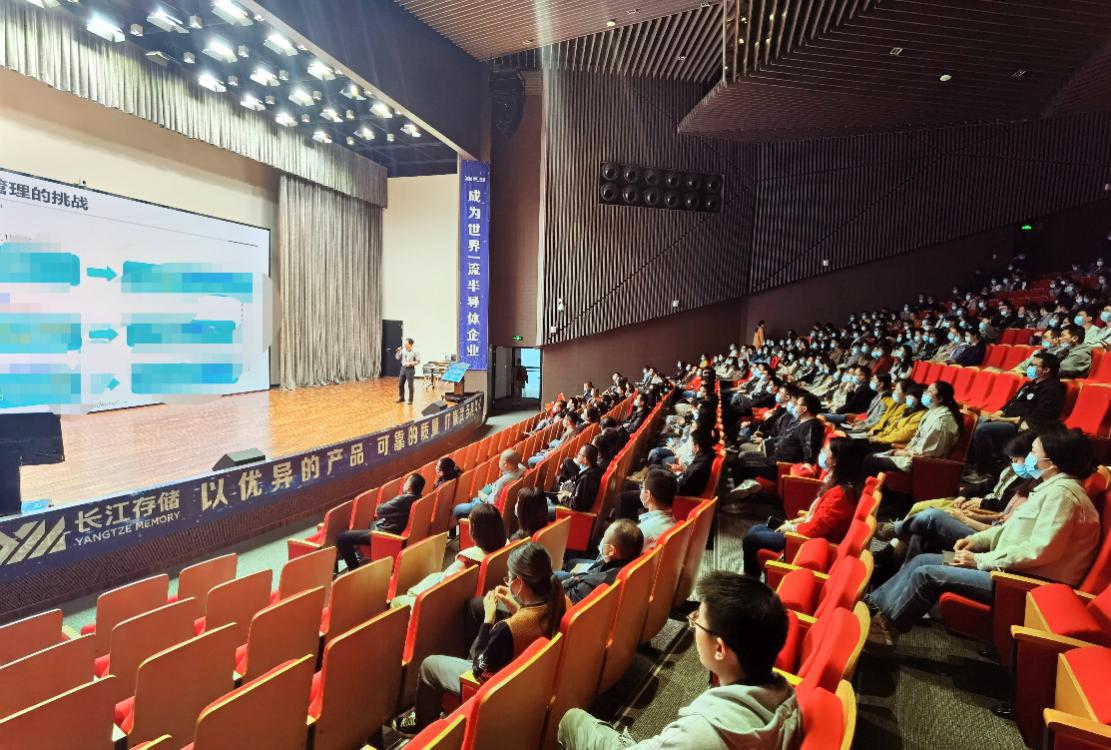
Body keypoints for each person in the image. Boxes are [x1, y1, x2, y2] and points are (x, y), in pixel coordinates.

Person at [867, 430, 1101, 652]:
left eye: (1033, 451)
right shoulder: (1051, 489)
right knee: (924, 560)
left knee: (927, 573)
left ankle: (885, 631)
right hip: (1005, 567)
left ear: (1052, 463)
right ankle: (876, 606)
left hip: (1020, 582)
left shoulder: (1063, 497)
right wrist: (975, 540)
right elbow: (1008, 530)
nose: (1029, 456)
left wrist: (979, 560)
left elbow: (1038, 551)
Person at [558, 572, 801, 750]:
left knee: (572, 719)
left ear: (719, 649)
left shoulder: (699, 734)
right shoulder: (783, 695)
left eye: (698, 620)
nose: (693, 623)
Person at [405, 542, 567, 734]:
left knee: (429, 665)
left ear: (520, 583)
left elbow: (479, 673)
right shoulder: (557, 600)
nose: (507, 582)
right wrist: (515, 606)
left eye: (509, 578)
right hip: (527, 676)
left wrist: (488, 620)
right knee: (475, 606)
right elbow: (532, 624)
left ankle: (422, 725)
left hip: (493, 687)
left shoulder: (506, 630)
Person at [741, 437, 862, 575]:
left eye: (825, 452)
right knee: (756, 529)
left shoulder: (840, 495)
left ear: (835, 460)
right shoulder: (835, 481)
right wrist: (793, 522)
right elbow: (816, 515)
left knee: (751, 540)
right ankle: (752, 575)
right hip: (806, 531)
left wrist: (792, 528)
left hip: (806, 542)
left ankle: (749, 580)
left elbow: (817, 528)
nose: (821, 453)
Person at [967, 351, 1064, 481]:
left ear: (1046, 370)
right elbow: (1011, 402)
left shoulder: (1053, 389)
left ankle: (985, 472)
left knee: (982, 429)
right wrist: (1000, 412)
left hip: (1020, 425)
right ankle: (972, 464)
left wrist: (1002, 419)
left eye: (1034, 365)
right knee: (975, 421)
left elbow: (1038, 416)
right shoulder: (1030, 384)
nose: (1030, 368)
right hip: (1006, 418)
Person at [392, 504, 507, 609]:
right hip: (470, 597)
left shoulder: (466, 560)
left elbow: (441, 589)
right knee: (434, 577)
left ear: (474, 529)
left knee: (397, 601)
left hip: (439, 605)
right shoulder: (505, 548)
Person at [860, 381, 960, 478]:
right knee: (872, 456)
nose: (925, 393)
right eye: (926, 390)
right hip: (912, 454)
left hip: (920, 463)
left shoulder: (941, 421)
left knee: (871, 459)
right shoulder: (932, 412)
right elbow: (917, 440)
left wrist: (903, 452)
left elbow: (929, 453)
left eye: (930, 391)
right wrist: (904, 449)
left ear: (940, 398)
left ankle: (875, 488)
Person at [335, 473, 426, 570]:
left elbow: (380, 510)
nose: (404, 483)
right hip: (394, 529)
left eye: (407, 481)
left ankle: (354, 569)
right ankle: (362, 556)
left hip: (384, 535)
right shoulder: (418, 497)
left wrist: (383, 505)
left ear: (410, 486)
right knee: (370, 524)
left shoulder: (403, 500)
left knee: (341, 537)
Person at [557, 519, 644, 604]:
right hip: (580, 578)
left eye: (604, 539)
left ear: (611, 551)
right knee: (569, 565)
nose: (602, 541)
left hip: (565, 595)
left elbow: (562, 604)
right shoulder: (632, 567)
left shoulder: (590, 585)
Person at [452, 449, 523, 526]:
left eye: (500, 460)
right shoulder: (522, 469)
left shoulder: (502, 482)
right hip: (499, 498)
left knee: (457, 509)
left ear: (505, 464)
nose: (499, 462)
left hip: (488, 507)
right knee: (475, 498)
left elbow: (493, 502)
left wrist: (482, 496)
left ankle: (462, 529)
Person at [547, 444, 603, 518]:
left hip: (573, 514)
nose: (577, 455)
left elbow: (576, 505)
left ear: (585, 460)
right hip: (574, 504)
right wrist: (569, 494)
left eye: (579, 454)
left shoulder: (586, 478)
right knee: (549, 496)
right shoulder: (596, 470)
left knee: (540, 506)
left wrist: (563, 498)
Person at [396, 337, 420, 404]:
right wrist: (398, 351)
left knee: (410, 385)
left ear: (410, 344)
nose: (405, 344)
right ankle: (401, 398)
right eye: (405, 343)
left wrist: (410, 363)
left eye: (406, 343)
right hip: (403, 369)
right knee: (400, 384)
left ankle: (410, 400)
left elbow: (418, 361)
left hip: (410, 369)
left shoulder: (415, 352)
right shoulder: (403, 350)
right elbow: (397, 357)